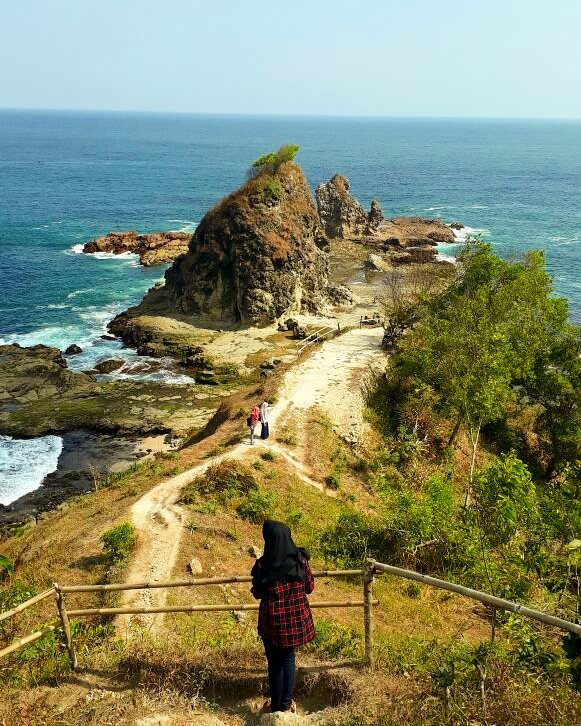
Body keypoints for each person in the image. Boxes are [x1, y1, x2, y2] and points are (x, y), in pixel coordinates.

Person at [251, 520, 315, 714]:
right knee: (288, 659)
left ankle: (275, 704)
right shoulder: (300, 561)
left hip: (271, 623)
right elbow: (310, 587)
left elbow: (257, 593)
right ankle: (286, 705)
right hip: (294, 622)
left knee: (274, 662)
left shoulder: (264, 566)